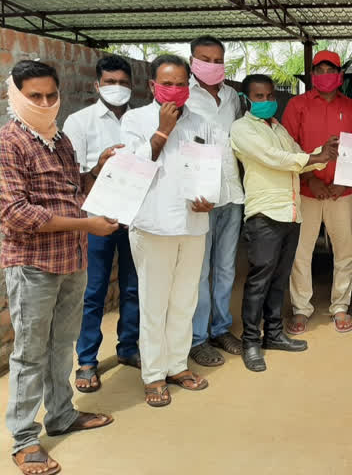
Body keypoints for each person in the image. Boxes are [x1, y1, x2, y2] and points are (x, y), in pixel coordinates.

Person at [1, 60, 116, 475]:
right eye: (36, 96)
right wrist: (88, 225)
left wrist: (98, 169)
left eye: (51, 95)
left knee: (61, 345)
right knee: (30, 353)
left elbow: (72, 191)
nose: (46, 102)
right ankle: (25, 439)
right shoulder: (9, 142)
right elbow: (16, 214)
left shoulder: (59, 139)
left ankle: (61, 415)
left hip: (71, 260)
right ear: (15, 95)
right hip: (33, 265)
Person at [121, 54, 213, 407]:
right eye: (167, 83)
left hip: (193, 224)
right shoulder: (135, 119)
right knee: (154, 303)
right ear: (152, 86)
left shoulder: (202, 121)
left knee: (184, 300)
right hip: (153, 224)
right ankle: (154, 375)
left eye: (180, 84)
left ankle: (177, 365)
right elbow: (132, 168)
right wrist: (162, 130)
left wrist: (211, 201)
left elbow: (211, 169)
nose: (174, 90)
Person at [231, 74, 339, 372]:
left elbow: (297, 157)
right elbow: (275, 159)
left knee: (279, 279)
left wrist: (325, 154)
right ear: (246, 100)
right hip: (264, 213)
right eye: (259, 97)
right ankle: (251, 341)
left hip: (291, 212)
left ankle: (274, 334)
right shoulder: (241, 129)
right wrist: (314, 156)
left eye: (270, 96)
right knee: (259, 281)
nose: (266, 102)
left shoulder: (278, 128)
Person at [63, 54, 141, 394]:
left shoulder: (140, 121)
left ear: (132, 86)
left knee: (133, 286)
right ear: (97, 85)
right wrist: (100, 164)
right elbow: (70, 178)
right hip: (95, 218)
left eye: (123, 83)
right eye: (110, 82)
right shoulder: (79, 122)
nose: (117, 88)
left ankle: (128, 347)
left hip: (134, 215)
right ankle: (87, 361)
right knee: (93, 291)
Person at [283, 50, 352, 335]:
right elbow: (288, 149)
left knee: (344, 251)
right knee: (300, 252)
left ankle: (340, 306)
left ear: (339, 75)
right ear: (312, 75)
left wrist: (345, 182)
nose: (324, 75)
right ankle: (301, 309)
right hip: (306, 190)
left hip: (343, 192)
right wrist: (310, 181)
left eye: (330, 70)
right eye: (319, 70)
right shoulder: (297, 105)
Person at [185, 35, 246, 367]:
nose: (211, 65)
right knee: (200, 270)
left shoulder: (232, 97)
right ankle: (198, 338)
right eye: (204, 59)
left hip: (231, 194)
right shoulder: (184, 97)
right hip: (200, 199)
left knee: (225, 269)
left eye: (217, 60)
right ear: (192, 61)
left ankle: (221, 328)